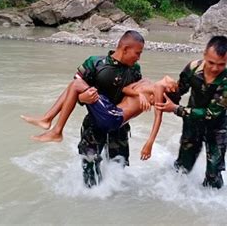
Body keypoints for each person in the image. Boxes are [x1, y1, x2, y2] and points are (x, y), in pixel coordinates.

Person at [21, 30, 144, 187]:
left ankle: (113, 203)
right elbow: (72, 92)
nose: (139, 57)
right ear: (125, 48)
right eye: (137, 53)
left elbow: (132, 97)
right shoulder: (95, 63)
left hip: (119, 127)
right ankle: (91, 200)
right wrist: (81, 99)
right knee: (90, 168)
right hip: (93, 127)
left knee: (118, 168)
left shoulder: (135, 70)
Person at [155, 36, 227, 189]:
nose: (215, 68)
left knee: (214, 174)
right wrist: (165, 87)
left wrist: (176, 109)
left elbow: (210, 113)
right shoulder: (193, 68)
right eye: (211, 62)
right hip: (192, 124)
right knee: (182, 168)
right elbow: (179, 91)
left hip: (216, 127)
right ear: (205, 54)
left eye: (221, 64)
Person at [22, 75, 178, 158]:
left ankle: (56, 130)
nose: (173, 86)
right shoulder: (146, 82)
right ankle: (47, 119)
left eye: (173, 88)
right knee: (75, 83)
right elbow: (125, 89)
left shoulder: (159, 88)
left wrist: (149, 143)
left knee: (77, 84)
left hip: (115, 117)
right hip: (111, 112)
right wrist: (140, 94)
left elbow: (158, 117)